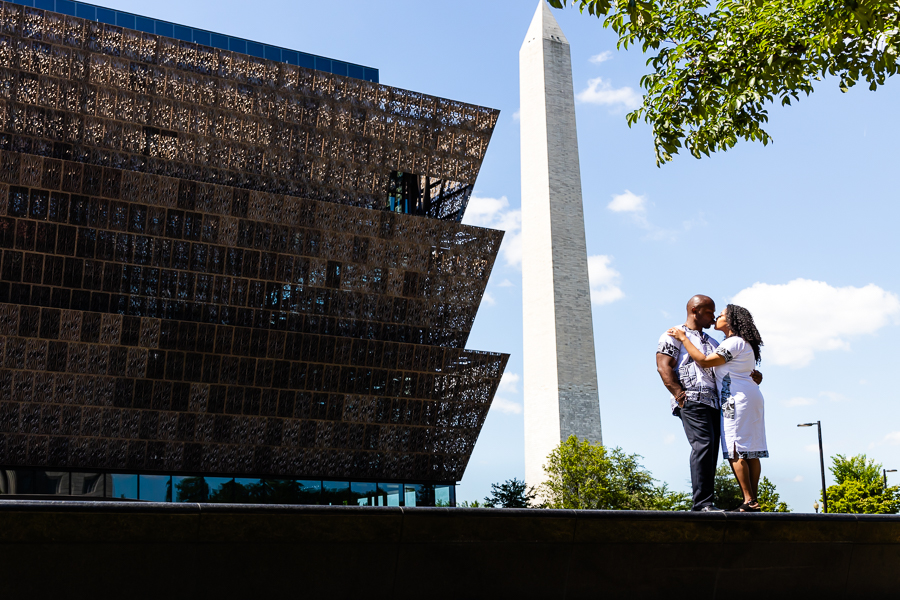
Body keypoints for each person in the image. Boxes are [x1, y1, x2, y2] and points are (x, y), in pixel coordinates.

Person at [667, 304, 767, 512]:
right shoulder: (741, 343)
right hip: (750, 397)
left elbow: (704, 361)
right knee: (751, 449)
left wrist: (684, 337)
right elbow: (747, 371)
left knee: (734, 447)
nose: (715, 319)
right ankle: (753, 500)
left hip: (733, 400)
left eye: (719, 315)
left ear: (730, 321)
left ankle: (748, 500)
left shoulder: (732, 342)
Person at [656, 295, 724, 511]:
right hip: (691, 399)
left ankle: (707, 502)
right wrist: (677, 392)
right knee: (703, 445)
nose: (713, 317)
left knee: (711, 449)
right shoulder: (674, 334)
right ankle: (702, 504)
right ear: (695, 310)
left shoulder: (713, 342)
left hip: (714, 403)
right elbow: (663, 365)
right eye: (710, 311)